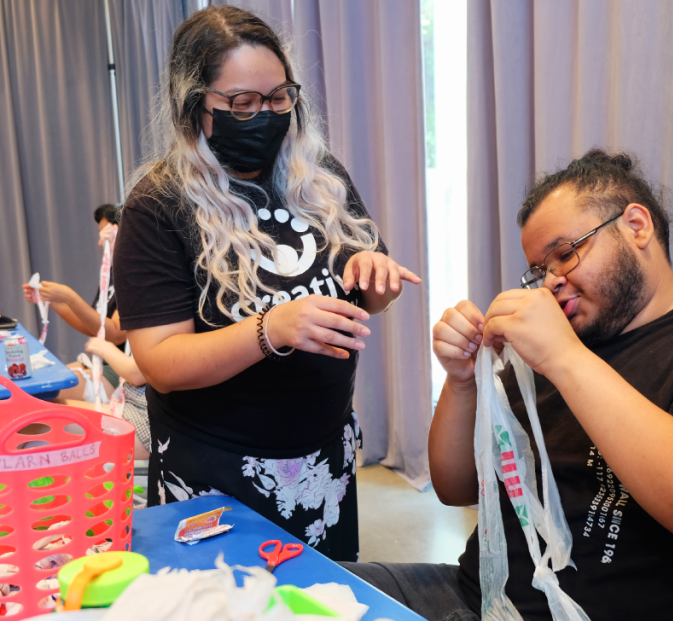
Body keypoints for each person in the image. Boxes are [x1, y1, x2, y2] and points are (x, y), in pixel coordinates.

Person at [343, 150, 673, 621]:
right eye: (540, 270)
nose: (551, 282)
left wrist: (564, 358)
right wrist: (462, 381)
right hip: (478, 597)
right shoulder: (562, 344)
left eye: (565, 254)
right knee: (288, 596)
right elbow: (458, 486)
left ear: (637, 226)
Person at [113, 6, 420, 562]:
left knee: (323, 597)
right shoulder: (158, 205)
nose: (266, 115)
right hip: (217, 469)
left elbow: (366, 292)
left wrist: (379, 282)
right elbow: (159, 359)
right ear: (194, 108)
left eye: (279, 98)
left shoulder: (316, 175)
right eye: (242, 104)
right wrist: (269, 329)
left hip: (323, 461)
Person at [22, 204, 125, 401]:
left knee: (43, 396)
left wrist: (69, 296)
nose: (99, 243)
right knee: (37, 386)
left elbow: (115, 334)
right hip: (101, 361)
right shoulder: (112, 275)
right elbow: (95, 327)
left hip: (119, 369)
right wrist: (54, 301)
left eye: (106, 235)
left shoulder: (132, 276)